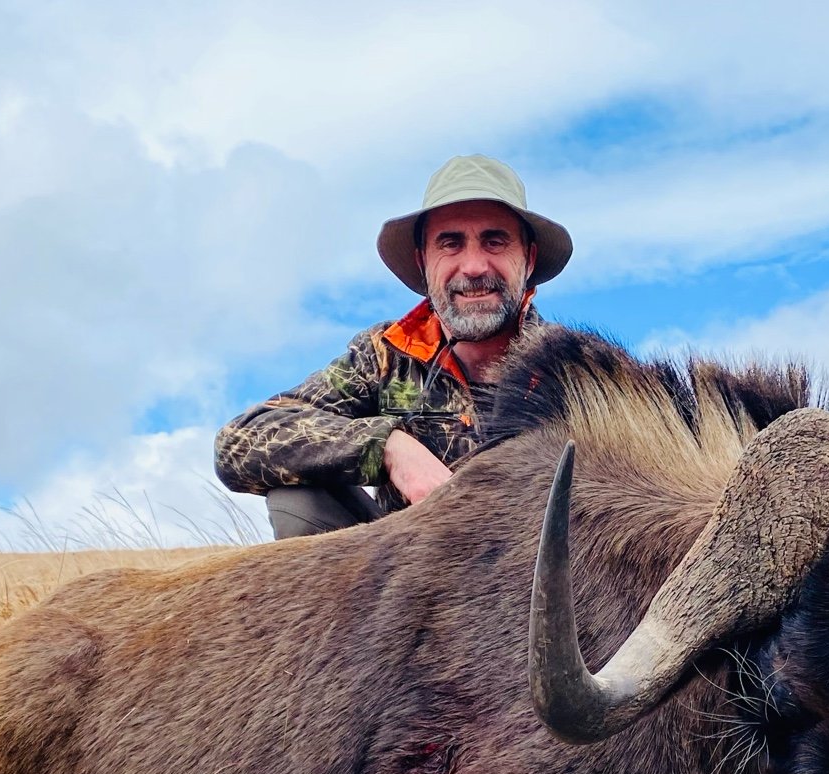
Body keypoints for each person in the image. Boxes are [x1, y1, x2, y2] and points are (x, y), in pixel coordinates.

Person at [215, 155, 573, 537]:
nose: (473, 266)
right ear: (423, 262)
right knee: (300, 498)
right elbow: (239, 441)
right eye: (450, 243)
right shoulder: (384, 355)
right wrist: (387, 446)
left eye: (494, 241)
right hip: (401, 581)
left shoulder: (576, 373)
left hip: (534, 584)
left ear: (528, 258)